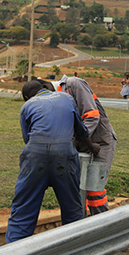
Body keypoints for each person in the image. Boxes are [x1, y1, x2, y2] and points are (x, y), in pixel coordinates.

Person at [5, 80, 96, 243]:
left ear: (27, 97)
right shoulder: (66, 98)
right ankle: (74, 252)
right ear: (45, 88)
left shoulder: (27, 106)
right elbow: (81, 132)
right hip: (65, 157)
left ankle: (13, 254)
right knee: (72, 208)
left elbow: (27, 138)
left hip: (35, 157)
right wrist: (92, 146)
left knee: (24, 208)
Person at [53, 75, 117, 215]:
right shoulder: (54, 100)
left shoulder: (73, 84)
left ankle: (100, 225)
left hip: (101, 142)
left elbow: (92, 115)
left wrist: (76, 141)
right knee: (78, 187)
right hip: (80, 143)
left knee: (94, 188)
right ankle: (81, 226)